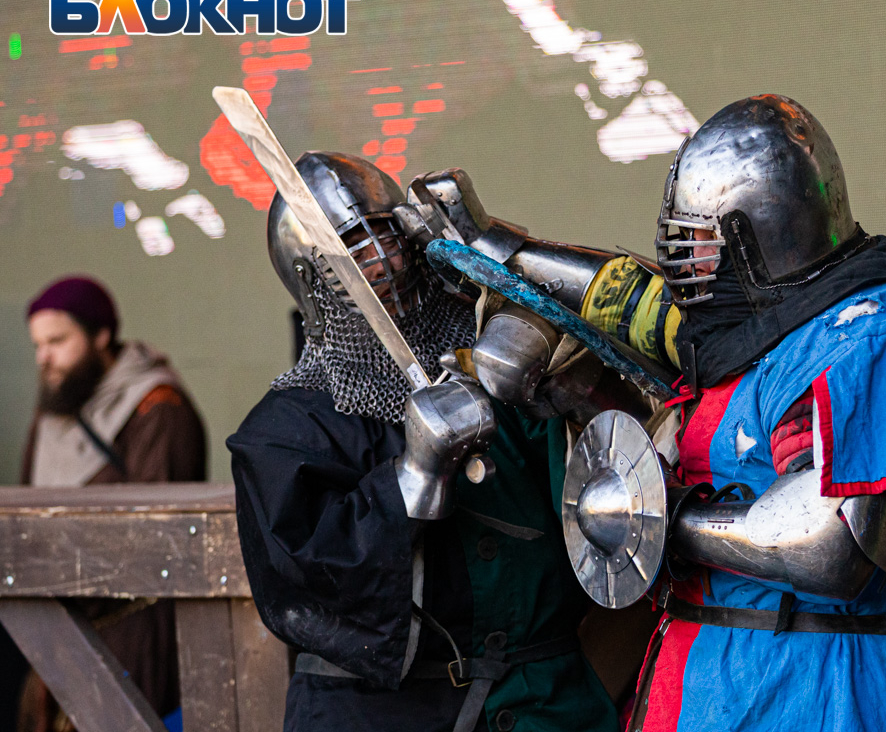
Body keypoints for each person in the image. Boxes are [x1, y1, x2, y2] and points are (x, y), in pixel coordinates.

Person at [622, 95, 886, 732]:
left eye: (701, 245)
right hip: (722, 683)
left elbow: (834, 549)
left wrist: (664, 521)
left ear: (758, 238)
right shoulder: (757, 340)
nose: (689, 267)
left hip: (838, 691)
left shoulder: (876, 335)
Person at [227, 152, 616, 732]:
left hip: (547, 705)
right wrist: (411, 478)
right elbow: (304, 590)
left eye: (386, 237)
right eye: (353, 252)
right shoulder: (284, 433)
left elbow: (596, 492)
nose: (382, 262)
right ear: (313, 281)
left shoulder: (502, 365)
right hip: (382, 717)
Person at [20, 275, 206, 730]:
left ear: (101, 335)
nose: (45, 358)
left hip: (132, 634)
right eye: (39, 345)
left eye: (58, 341)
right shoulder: (54, 411)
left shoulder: (157, 407)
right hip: (54, 631)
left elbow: (155, 539)